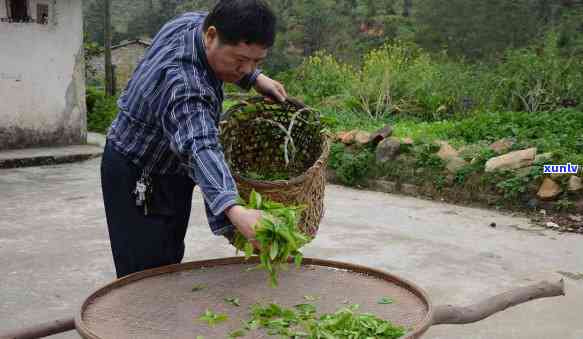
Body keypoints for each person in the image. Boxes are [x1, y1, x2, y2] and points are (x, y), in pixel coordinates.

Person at [100, 0, 287, 278]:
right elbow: (200, 144)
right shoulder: (185, 82)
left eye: (256, 61)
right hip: (138, 170)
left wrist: (255, 79)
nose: (246, 68)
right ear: (210, 36)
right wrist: (235, 210)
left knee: (169, 256)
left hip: (171, 168)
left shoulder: (192, 24)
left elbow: (235, 55)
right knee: (144, 275)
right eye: (239, 61)